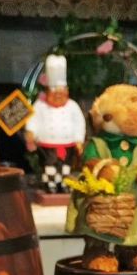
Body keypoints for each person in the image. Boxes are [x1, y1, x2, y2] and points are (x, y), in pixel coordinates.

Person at [24, 54, 86, 193]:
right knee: (50, 165)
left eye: (61, 91)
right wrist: (31, 132)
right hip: (47, 145)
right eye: (54, 91)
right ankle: (50, 184)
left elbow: (79, 123)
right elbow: (33, 119)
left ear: (66, 91)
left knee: (65, 166)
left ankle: (64, 184)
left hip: (68, 144)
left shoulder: (72, 106)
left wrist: (79, 139)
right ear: (47, 91)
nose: (58, 94)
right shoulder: (40, 105)